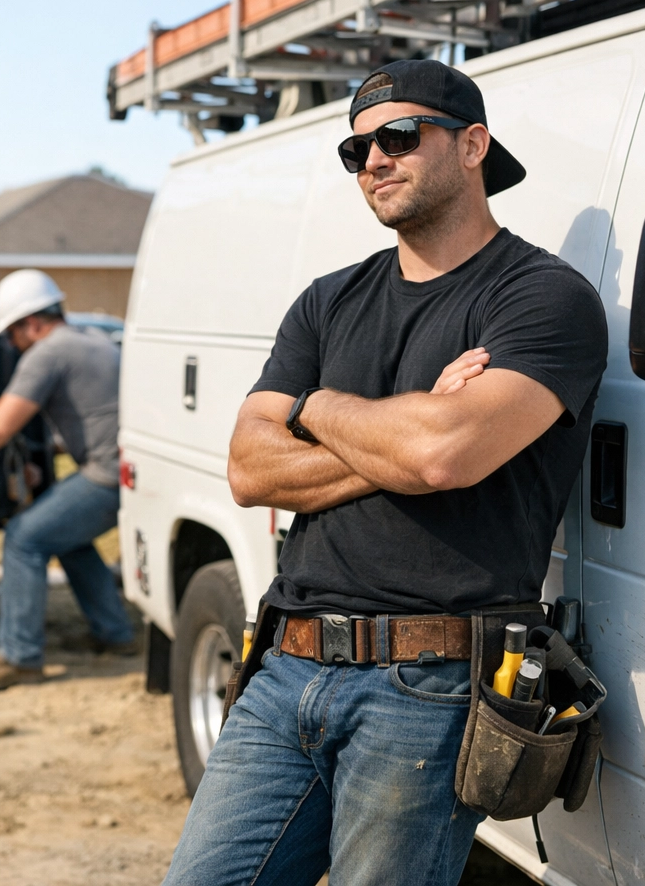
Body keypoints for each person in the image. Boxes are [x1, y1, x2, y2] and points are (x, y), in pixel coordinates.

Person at [161, 59, 608, 885]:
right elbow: (249, 468)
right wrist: (401, 429)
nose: (373, 160)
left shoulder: (544, 298)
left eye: (399, 136)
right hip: (283, 665)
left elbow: (444, 454)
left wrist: (317, 405)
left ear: (473, 145)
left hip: (426, 686)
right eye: (356, 148)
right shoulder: (327, 301)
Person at [0, 270, 135, 690]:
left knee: (24, 537)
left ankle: (19, 656)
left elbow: (0, 426)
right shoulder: (90, 337)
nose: (11, 345)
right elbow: (91, 415)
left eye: (12, 335)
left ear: (30, 323)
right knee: (66, 539)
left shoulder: (48, 351)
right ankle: (115, 634)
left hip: (107, 475)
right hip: (125, 470)